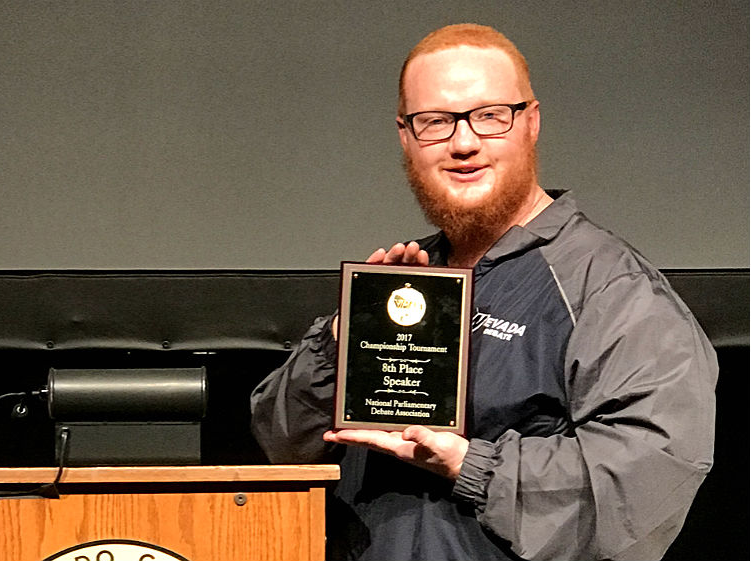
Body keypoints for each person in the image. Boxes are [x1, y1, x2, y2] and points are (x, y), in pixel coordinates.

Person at [250, 24, 717, 561]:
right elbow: (279, 444)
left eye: (490, 116)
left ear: (531, 123)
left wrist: (468, 464)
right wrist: (345, 337)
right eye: (436, 122)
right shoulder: (409, 281)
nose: (464, 143)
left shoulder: (608, 286)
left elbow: (649, 478)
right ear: (406, 136)